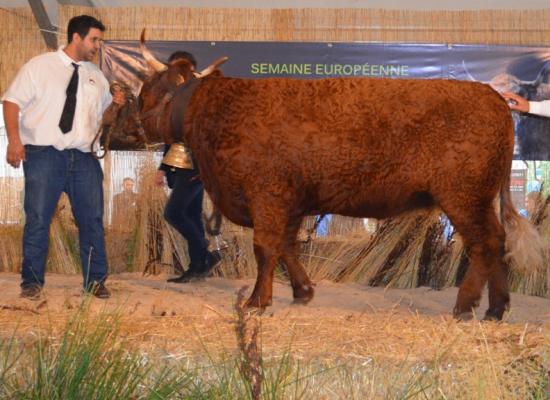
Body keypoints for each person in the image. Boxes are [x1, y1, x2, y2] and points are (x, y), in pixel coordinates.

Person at [2, 15, 125, 299]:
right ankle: (31, 283)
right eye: (94, 39)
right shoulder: (39, 67)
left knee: (92, 220)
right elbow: (11, 101)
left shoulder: (96, 75)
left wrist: (115, 107)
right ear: (76, 38)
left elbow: (103, 118)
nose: (97, 45)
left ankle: (95, 282)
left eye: (99, 40)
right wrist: (14, 142)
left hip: (84, 158)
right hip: (44, 155)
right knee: (38, 219)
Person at [157, 51, 221, 283]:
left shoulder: (203, 96)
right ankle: (198, 265)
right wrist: (163, 168)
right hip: (182, 164)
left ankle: (203, 257)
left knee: (173, 213)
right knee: (191, 214)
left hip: (197, 165)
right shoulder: (173, 99)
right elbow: (170, 136)